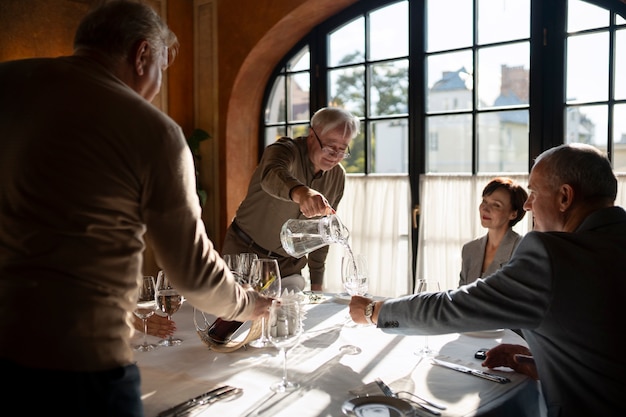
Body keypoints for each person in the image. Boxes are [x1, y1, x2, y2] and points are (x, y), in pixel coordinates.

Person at [0, 1, 272, 416]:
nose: (158, 84)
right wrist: (248, 304)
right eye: (161, 67)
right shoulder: (152, 131)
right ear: (142, 54)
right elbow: (192, 274)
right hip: (81, 367)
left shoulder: (8, 83)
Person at [349, 143, 626, 416]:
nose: (529, 205)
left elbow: (454, 307)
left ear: (565, 197)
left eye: (533, 193)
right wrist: (543, 364)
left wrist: (376, 311)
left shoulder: (550, 254)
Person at [222, 107, 360, 292]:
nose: (335, 156)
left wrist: (317, 284)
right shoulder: (285, 150)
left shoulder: (337, 177)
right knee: (236, 320)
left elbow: (324, 233)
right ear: (312, 135)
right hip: (245, 256)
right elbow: (271, 175)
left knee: (289, 319)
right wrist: (302, 193)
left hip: (289, 267)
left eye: (342, 149)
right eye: (330, 146)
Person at [459, 177, 528, 286]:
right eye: (484, 201)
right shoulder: (469, 249)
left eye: (496, 205)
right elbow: (460, 297)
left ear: (513, 214)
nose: (485, 209)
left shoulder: (522, 249)